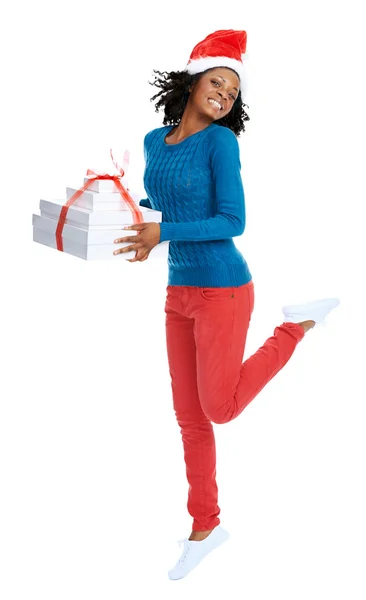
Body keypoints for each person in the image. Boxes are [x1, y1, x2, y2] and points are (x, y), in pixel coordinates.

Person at [113, 29, 340, 580]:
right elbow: (161, 202)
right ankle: (206, 526)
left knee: (220, 408)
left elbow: (231, 221)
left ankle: (294, 327)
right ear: (192, 82)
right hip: (179, 291)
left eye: (233, 91)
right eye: (217, 82)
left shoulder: (221, 143)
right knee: (190, 419)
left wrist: (161, 231)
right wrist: (125, 209)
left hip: (223, 288)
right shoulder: (152, 140)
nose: (224, 95)